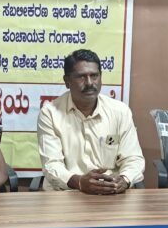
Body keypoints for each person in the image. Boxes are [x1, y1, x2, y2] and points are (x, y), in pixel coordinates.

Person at [37, 49, 144, 194]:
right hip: (67, 193)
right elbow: (52, 165)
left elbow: (133, 158)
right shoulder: (50, 114)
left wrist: (125, 179)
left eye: (94, 76)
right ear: (67, 81)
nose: (89, 83)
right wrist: (80, 182)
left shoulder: (120, 112)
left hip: (111, 193)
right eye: (81, 77)